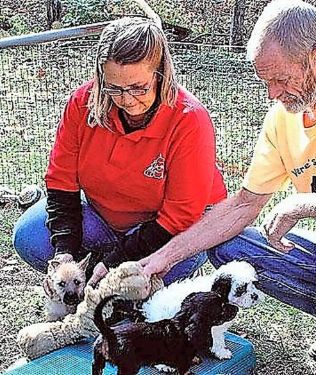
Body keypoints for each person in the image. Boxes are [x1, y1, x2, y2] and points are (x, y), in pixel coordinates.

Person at [140, 1, 316, 374]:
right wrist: (158, 260)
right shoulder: (283, 118)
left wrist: (304, 204)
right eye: (265, 81)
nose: (272, 93)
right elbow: (241, 205)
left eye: (280, 79)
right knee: (230, 247)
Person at [12, 16, 227, 287]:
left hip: (173, 228)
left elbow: (181, 214)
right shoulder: (82, 103)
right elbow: (61, 181)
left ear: (161, 75)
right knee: (29, 236)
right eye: (113, 87)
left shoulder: (190, 119)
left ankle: (140, 280)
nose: (126, 100)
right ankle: (93, 282)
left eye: (138, 87)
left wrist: (116, 260)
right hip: (103, 216)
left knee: (138, 289)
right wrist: (64, 251)